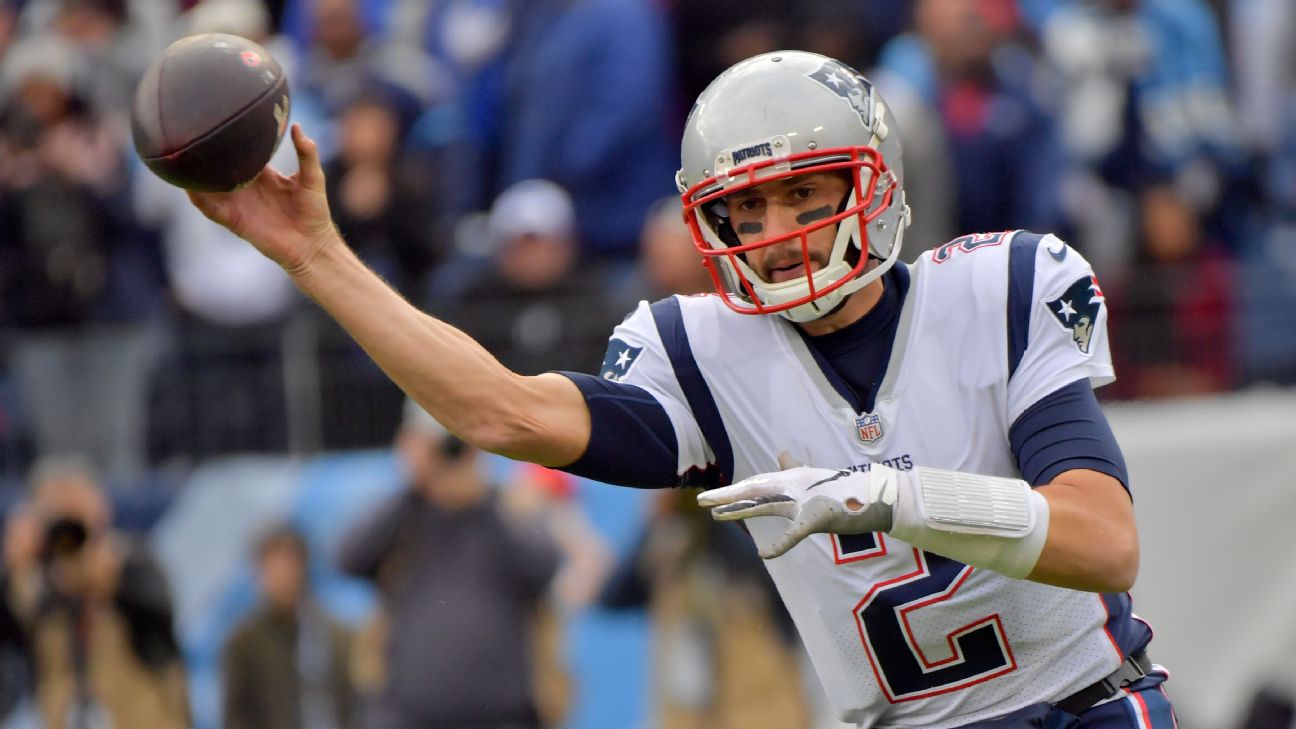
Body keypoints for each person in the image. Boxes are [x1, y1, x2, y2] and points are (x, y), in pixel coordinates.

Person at [187, 49, 1172, 728]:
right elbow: (501, 410)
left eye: (803, 191)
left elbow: (1105, 538)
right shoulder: (704, 351)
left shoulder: (998, 289)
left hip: (1086, 706)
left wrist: (887, 496)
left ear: (874, 184)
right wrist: (317, 255)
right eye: (748, 206)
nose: (777, 226)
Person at [336, 399, 560, 729]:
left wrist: (481, 495)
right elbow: (348, 558)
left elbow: (544, 567)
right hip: (407, 714)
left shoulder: (502, 510)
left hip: (503, 717)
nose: (448, 457)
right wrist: (415, 485)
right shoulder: (406, 517)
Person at [0, 456, 188, 729]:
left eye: (76, 510)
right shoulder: (39, 584)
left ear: (100, 508)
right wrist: (16, 568)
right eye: (57, 513)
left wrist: (110, 581)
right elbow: (12, 636)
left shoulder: (131, 563)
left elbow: (160, 619)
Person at [222, 524, 355, 729]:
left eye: (284, 565)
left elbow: (352, 704)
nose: (277, 576)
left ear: (301, 566)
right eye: (268, 568)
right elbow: (236, 715)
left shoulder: (335, 635)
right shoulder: (244, 643)